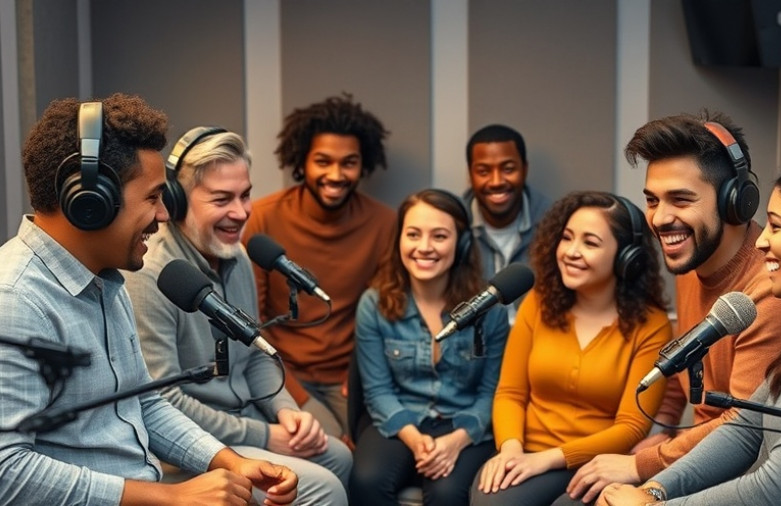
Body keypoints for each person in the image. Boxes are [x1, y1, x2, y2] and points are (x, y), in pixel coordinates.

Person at [0, 94, 298, 504]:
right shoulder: (14, 299)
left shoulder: (105, 279)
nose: (162, 214)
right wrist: (169, 498)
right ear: (91, 203)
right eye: (153, 197)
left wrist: (229, 461)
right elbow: (7, 471)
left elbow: (145, 403)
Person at [599, 153, 781, 505]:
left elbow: (779, 492)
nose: (761, 242)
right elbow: (743, 431)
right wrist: (655, 489)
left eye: (776, 225)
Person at [556, 112, 781, 505]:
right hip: (689, 453)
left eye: (681, 199)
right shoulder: (693, 258)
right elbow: (685, 367)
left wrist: (643, 466)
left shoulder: (771, 291)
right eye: (652, 200)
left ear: (735, 200)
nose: (660, 219)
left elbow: (742, 428)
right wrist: (661, 430)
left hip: (733, 475)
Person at [122, 126, 352, 504]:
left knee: (339, 457)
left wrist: (286, 412)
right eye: (221, 199)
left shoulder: (238, 256)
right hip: (194, 446)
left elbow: (253, 356)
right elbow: (163, 399)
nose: (241, 212)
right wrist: (263, 436)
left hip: (249, 425)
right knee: (322, 488)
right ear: (176, 200)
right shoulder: (150, 275)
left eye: (245, 195)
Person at [470, 191, 673, 506]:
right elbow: (510, 392)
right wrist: (510, 450)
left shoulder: (653, 325)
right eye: (566, 238)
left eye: (590, 243)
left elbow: (632, 426)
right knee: (492, 500)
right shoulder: (537, 302)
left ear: (626, 257)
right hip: (528, 452)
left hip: (598, 464)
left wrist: (549, 459)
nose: (571, 252)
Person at [242, 94, 396, 439]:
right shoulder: (263, 218)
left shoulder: (384, 223)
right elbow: (252, 323)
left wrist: (357, 376)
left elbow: (385, 313)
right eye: (323, 161)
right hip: (278, 372)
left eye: (349, 163)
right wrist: (297, 394)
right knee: (326, 449)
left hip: (350, 377)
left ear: (364, 164)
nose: (336, 175)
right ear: (302, 161)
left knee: (361, 461)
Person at [349, 189, 510, 506]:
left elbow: (493, 392)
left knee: (449, 494)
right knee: (367, 481)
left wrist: (456, 440)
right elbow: (377, 390)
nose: (424, 247)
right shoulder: (374, 304)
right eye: (413, 234)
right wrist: (414, 437)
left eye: (439, 236)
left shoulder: (490, 310)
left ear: (461, 244)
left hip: (464, 421)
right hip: (399, 417)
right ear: (400, 240)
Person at [461, 124, 552, 322]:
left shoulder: (555, 225)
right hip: (474, 347)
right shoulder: (453, 226)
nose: (496, 181)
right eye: (483, 171)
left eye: (508, 169)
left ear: (525, 169)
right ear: (470, 174)